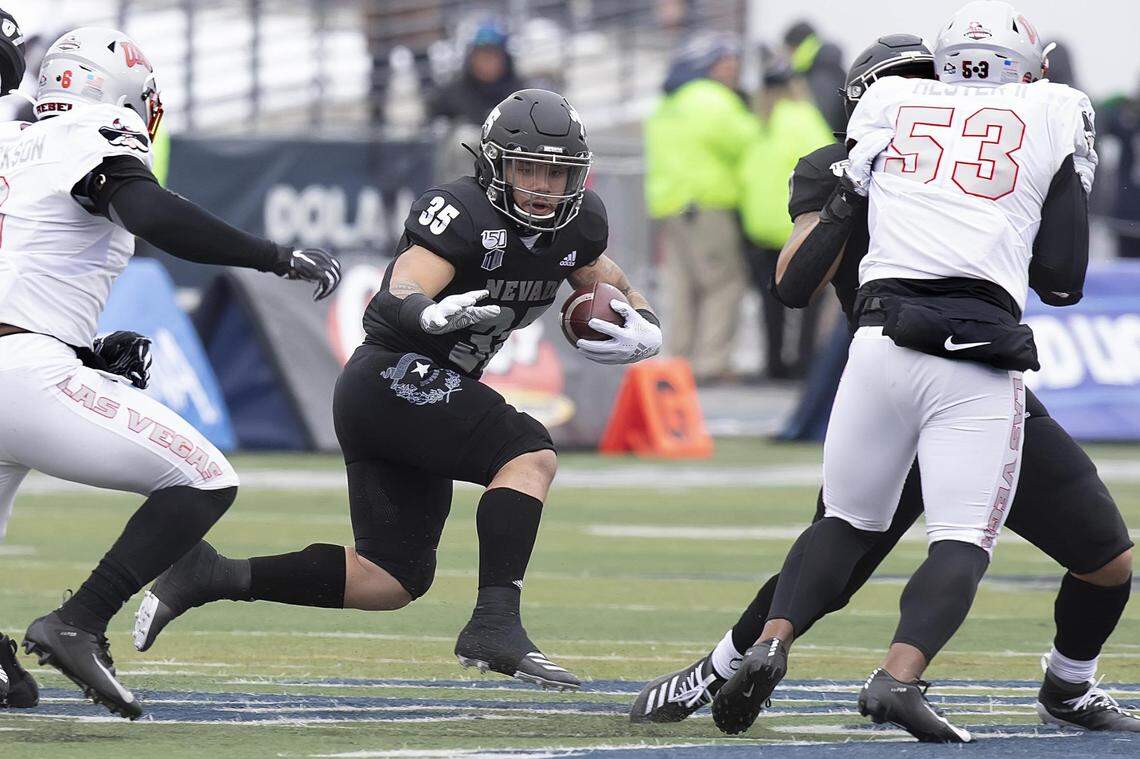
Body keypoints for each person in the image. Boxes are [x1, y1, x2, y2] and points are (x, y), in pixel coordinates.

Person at [632, 32, 1139, 737]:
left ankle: (1069, 686)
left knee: (1106, 555)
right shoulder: (842, 164)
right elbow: (793, 283)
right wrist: (853, 187)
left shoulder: (991, 150)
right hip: (912, 373)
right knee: (838, 557)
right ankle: (723, 666)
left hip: (949, 374)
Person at [131, 89, 662, 691]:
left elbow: (609, 281)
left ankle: (212, 574)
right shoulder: (463, 212)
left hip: (422, 394)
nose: (542, 187)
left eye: (555, 173)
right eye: (527, 169)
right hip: (391, 375)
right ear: (496, 165)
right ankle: (495, 625)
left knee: (390, 578)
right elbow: (402, 286)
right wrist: (425, 313)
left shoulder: (578, 224)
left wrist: (645, 324)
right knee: (528, 452)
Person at [0, 27, 340, 719]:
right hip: (18, 372)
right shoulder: (94, 131)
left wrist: (79, 350)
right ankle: (80, 620)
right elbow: (151, 212)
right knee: (204, 477)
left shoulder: (12, 142)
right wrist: (274, 256)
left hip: (23, 356)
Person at [645, 33, 757, 383]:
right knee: (723, 284)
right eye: (728, 63)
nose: (734, 71)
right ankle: (711, 362)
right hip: (708, 206)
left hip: (671, 207)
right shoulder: (714, 100)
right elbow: (751, 142)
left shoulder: (669, 104)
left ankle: (680, 360)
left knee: (682, 287)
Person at [738, 48, 834, 378]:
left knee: (770, 301)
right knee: (810, 298)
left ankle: (774, 364)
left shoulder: (757, 122)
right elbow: (826, 163)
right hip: (795, 224)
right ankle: (805, 363)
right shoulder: (803, 117)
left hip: (759, 227)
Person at [783, 21, 847, 133]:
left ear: (795, 47)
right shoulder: (826, 67)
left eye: (788, 51)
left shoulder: (821, 75)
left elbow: (822, 120)